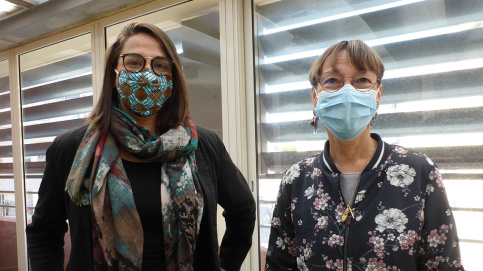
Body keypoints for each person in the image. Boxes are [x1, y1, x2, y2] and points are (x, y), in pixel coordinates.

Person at [26, 22, 256, 271]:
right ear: (114, 74)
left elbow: (242, 209)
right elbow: (44, 232)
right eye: (134, 62)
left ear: (172, 79)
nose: (147, 73)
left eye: (160, 65)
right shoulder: (73, 148)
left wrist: (225, 265)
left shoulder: (202, 144)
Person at [265, 40, 464, 270]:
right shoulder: (296, 180)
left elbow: (444, 264)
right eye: (332, 80)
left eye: (362, 80)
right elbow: (278, 265)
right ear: (315, 96)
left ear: (377, 94)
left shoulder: (420, 173)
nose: (347, 91)